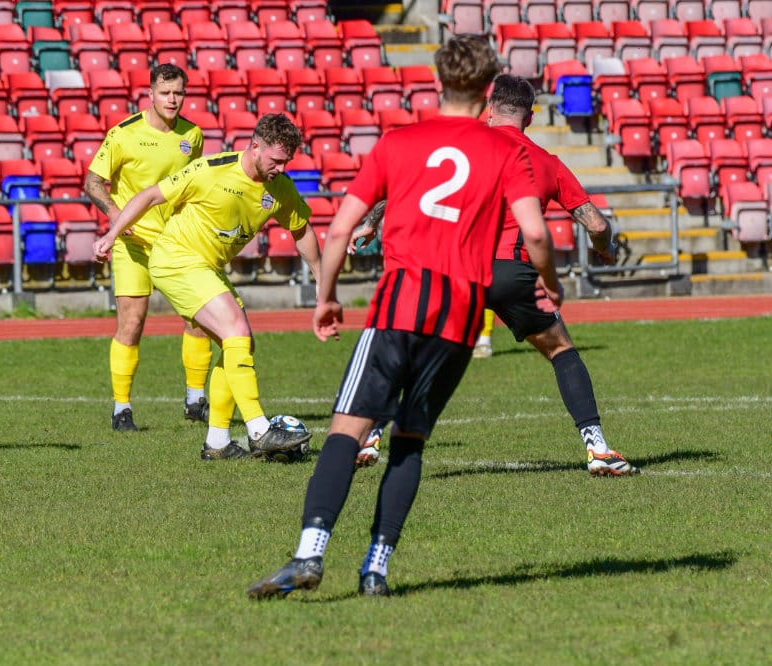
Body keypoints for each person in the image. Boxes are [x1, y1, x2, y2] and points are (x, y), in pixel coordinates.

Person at [247, 35, 561, 599]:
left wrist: (326, 297)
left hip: (400, 305)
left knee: (347, 431)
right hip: (460, 319)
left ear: (438, 82)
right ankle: (376, 569)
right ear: (486, 91)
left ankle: (309, 554)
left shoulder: (398, 142)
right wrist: (552, 281)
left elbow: (340, 229)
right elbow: (535, 233)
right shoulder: (505, 152)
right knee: (410, 440)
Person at [352, 74, 638, 477]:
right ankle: (598, 448)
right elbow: (595, 223)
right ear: (530, 117)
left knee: (415, 351)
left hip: (455, 267)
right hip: (511, 272)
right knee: (561, 350)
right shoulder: (546, 162)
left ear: (489, 109)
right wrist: (603, 247)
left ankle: (371, 434)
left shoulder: (462, 147)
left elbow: (407, 183)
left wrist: (371, 223)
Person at [93, 113, 320, 461]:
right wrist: (111, 234)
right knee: (235, 330)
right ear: (255, 147)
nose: (281, 168)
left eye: (286, 161)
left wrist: (321, 279)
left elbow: (301, 230)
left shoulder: (280, 187)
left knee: (239, 343)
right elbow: (150, 196)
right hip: (175, 259)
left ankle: (217, 441)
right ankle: (259, 430)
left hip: (206, 267)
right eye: (276, 160)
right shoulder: (211, 170)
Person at [84, 63, 211, 432]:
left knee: (198, 317)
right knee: (132, 323)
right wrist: (117, 217)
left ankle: (195, 400)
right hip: (132, 245)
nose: (172, 99)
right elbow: (93, 182)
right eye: (165, 92)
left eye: (178, 93)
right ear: (151, 94)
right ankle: (121, 408)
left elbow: (194, 185)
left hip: (177, 243)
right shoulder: (123, 134)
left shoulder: (193, 135)